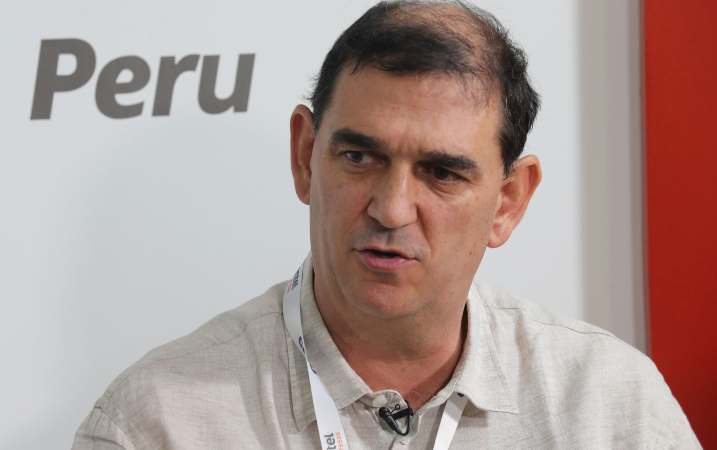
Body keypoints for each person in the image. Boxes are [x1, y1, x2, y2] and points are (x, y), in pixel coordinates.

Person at [72, 1, 701, 449]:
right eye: (359, 157)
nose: (392, 209)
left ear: (508, 201)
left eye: (442, 173)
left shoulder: (610, 408)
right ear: (304, 157)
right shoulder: (158, 422)